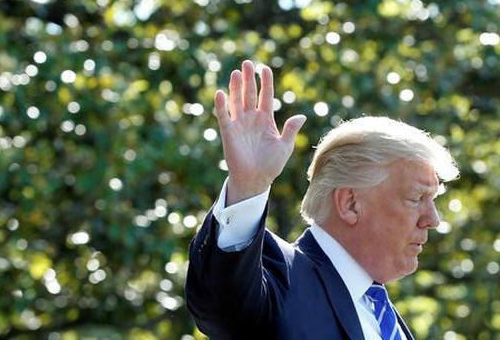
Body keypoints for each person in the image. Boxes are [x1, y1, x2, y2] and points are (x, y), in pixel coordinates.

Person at [185, 60, 458, 339]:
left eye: (433, 199)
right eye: (416, 198)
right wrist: (248, 186)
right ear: (350, 203)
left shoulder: (383, 316)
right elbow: (222, 305)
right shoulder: (282, 278)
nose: (433, 220)